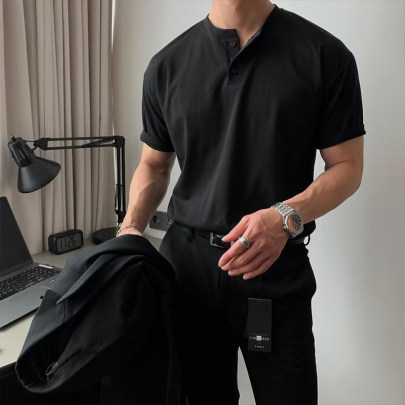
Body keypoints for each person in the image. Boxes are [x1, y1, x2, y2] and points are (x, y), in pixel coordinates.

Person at [116, 0, 365, 404]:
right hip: (188, 272)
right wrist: (130, 228)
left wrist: (284, 216)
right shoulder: (166, 65)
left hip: (273, 266)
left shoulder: (324, 54)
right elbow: (154, 164)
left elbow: (347, 166)